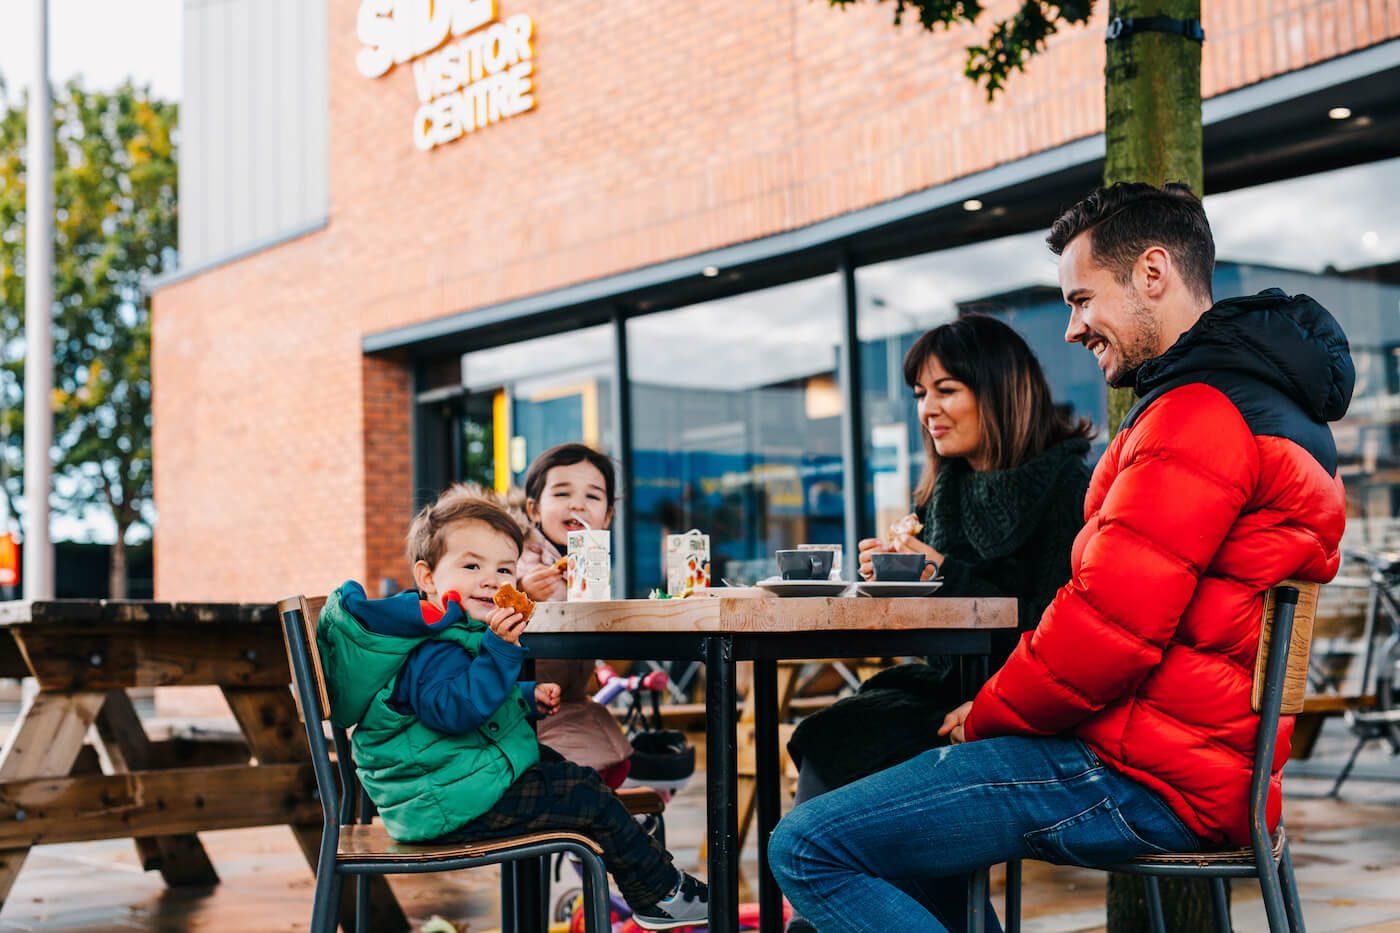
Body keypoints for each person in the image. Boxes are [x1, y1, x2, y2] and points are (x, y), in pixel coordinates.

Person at [770, 182, 1353, 933]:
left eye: (1082, 299)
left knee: (809, 845)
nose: (1074, 327)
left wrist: (984, 713)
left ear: (1152, 273)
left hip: (1140, 777)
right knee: (874, 803)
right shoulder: (1264, 407)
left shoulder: (1199, 415)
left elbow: (1106, 628)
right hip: (1193, 764)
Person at [782, 315, 1093, 933]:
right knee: (834, 733)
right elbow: (944, 606)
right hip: (944, 685)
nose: (928, 409)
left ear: (1000, 392)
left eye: (946, 389)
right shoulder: (942, 490)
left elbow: (1057, 625)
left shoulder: (1066, 488)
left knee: (863, 759)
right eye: (921, 394)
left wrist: (942, 571)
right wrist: (896, 578)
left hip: (1023, 700)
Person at [316, 485, 708, 930]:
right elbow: (455, 710)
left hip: (456, 784)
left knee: (564, 772)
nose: (492, 579)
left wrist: (525, 696)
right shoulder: (432, 646)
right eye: (471, 565)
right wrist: (501, 652)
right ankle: (661, 892)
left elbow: (459, 703)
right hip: (445, 804)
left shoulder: (452, 629)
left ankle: (656, 881)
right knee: (581, 792)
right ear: (427, 578)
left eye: (505, 568)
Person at [516, 443, 635, 786]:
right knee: (585, 772)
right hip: (530, 715)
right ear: (534, 510)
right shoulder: (519, 558)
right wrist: (522, 590)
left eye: (593, 497)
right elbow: (488, 602)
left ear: (608, 516)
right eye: (563, 493)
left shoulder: (588, 567)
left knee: (616, 761)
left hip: (573, 707)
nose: (578, 504)